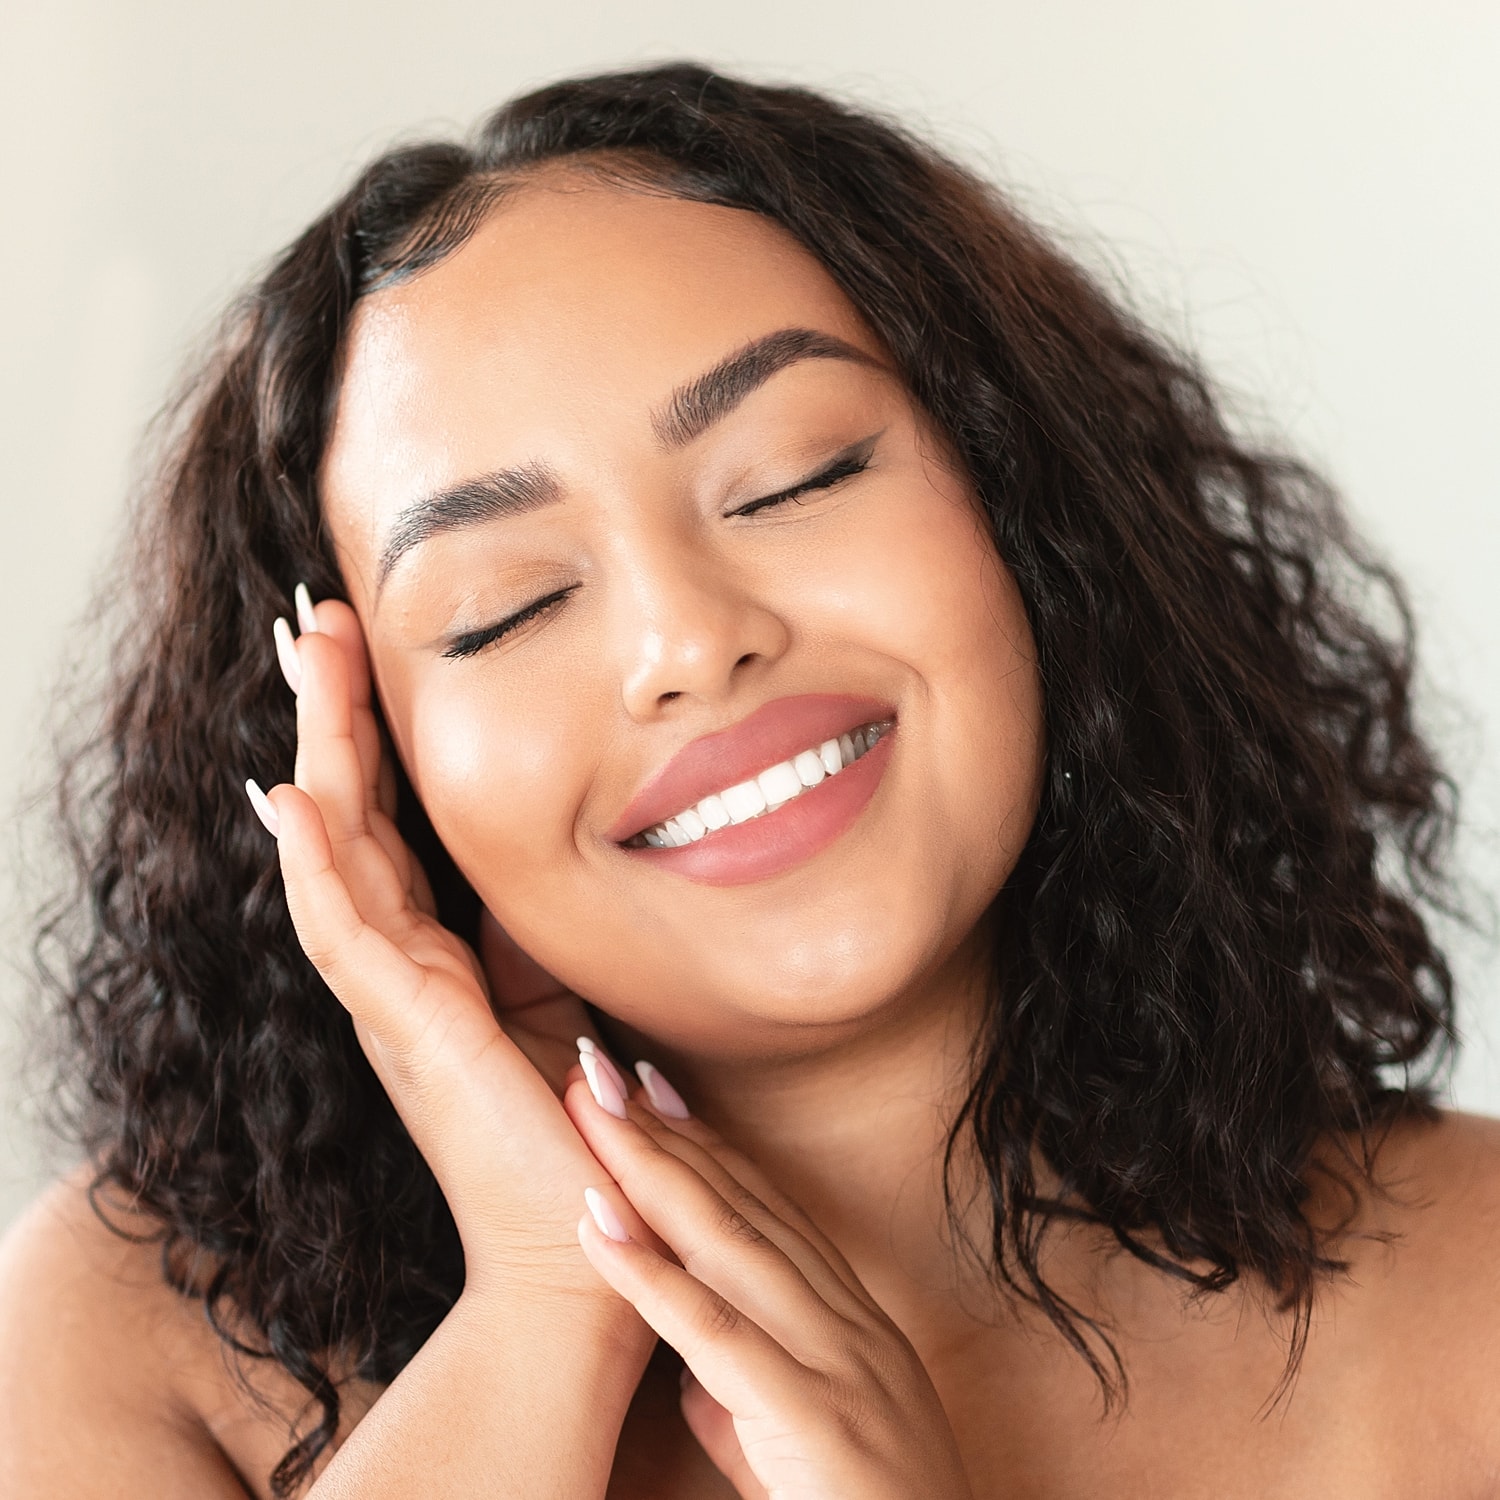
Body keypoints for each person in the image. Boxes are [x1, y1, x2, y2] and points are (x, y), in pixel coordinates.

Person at [1, 61, 1496, 1499]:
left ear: (1039, 526)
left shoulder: (1471, 1310)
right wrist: (542, 1294)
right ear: (370, 763)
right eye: (504, 608)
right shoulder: (131, 1343)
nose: (691, 642)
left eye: (796, 478)